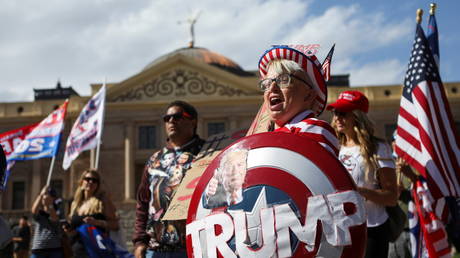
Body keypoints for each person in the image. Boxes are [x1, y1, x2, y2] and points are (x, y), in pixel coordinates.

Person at [327, 90, 398, 258]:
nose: (337, 117)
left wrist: (359, 192)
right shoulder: (334, 148)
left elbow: (391, 196)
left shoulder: (379, 148)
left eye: (343, 113)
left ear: (357, 116)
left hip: (371, 230)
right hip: (340, 229)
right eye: (335, 112)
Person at [133, 100, 205, 258]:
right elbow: (143, 203)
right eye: (167, 118)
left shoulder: (208, 154)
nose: (171, 121)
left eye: (177, 117)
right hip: (155, 250)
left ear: (193, 121)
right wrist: (139, 242)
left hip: (193, 248)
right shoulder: (154, 160)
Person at [257, 45, 339, 156]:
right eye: (267, 83)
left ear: (309, 95)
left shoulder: (313, 129)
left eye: (283, 80)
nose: (272, 88)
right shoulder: (269, 136)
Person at [66, 169, 119, 257]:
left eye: (95, 181)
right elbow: (73, 230)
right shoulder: (75, 203)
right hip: (78, 251)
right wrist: (68, 230)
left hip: (97, 250)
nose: (91, 182)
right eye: (87, 179)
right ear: (81, 182)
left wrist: (97, 222)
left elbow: (115, 225)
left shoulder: (102, 201)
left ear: (98, 185)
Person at [30, 185, 65, 258]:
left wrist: (50, 205)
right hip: (38, 248)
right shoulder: (39, 212)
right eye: (44, 196)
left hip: (54, 249)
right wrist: (41, 194)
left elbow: (55, 220)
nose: (45, 198)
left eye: (49, 195)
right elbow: (33, 210)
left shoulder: (58, 211)